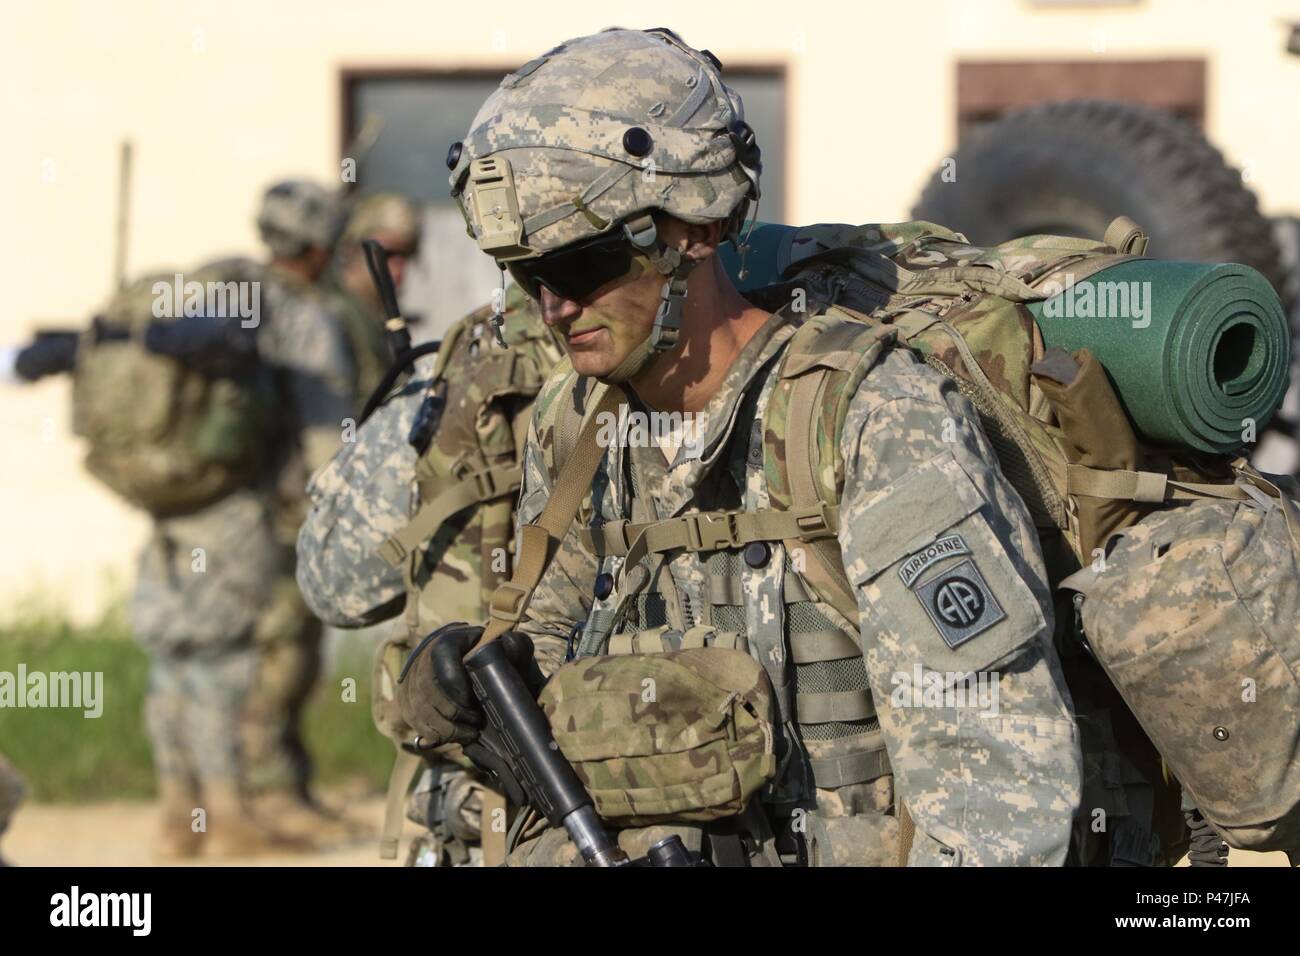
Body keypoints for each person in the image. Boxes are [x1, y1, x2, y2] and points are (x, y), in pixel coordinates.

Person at [396, 27, 1083, 866]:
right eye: (523, 275)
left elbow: (995, 777)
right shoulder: (574, 428)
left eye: (581, 267)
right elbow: (544, 664)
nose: (553, 308)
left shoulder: (868, 416)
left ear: (697, 229)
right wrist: (468, 686)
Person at [327, 191, 423, 407]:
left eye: (406, 255)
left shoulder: (377, 317)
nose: (399, 268)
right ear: (351, 250)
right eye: (387, 254)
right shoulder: (331, 314)